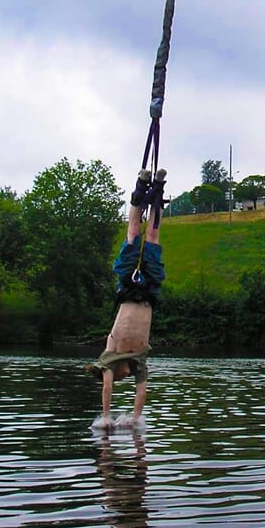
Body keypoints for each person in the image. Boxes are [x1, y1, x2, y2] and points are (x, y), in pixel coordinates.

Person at [87, 168, 167, 429]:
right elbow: (141, 393)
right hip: (148, 292)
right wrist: (134, 420)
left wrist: (107, 416)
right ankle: (158, 192)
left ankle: (140, 189)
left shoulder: (110, 356)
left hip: (127, 286)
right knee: (153, 236)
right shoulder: (138, 361)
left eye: (114, 377)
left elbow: (107, 388)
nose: (119, 378)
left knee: (133, 233)